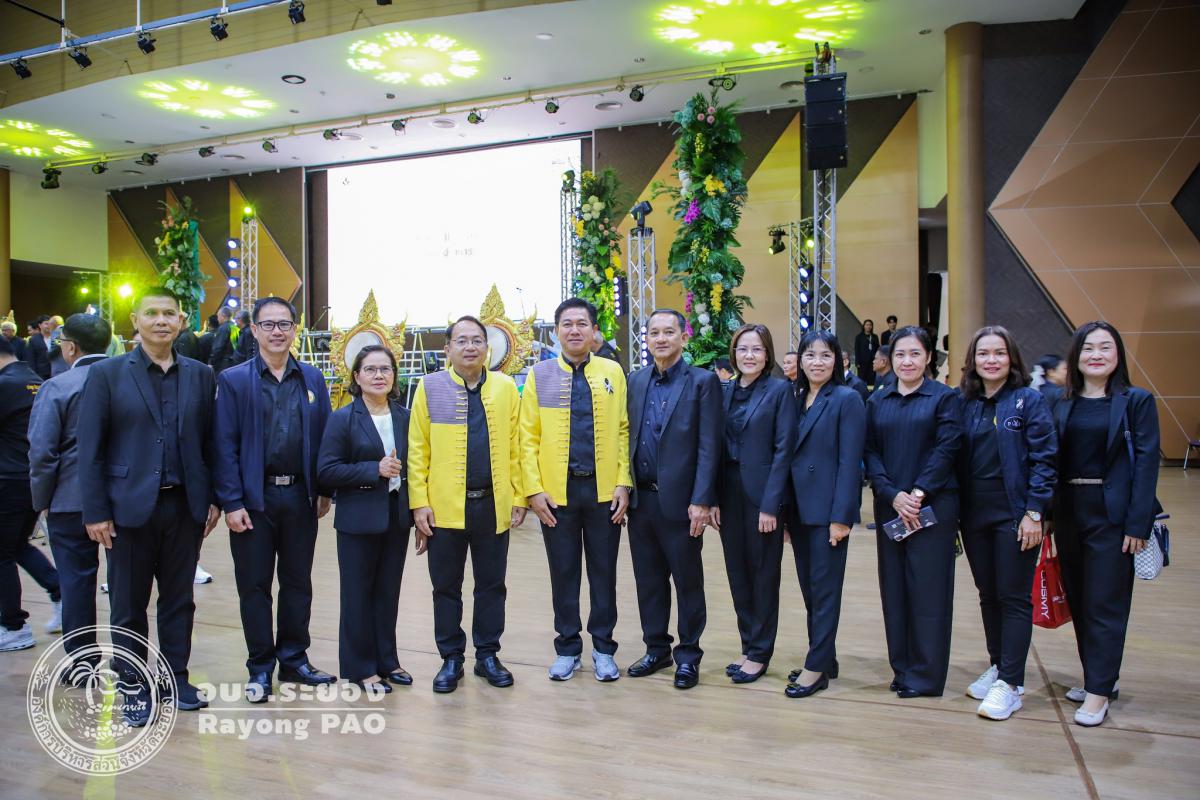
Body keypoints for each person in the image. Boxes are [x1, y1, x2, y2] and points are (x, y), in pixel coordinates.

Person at [78, 287, 219, 725]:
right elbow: (90, 449)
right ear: (135, 321)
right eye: (152, 313)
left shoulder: (201, 374)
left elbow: (210, 442)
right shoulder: (107, 374)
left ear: (181, 322)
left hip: (185, 507)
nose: (161, 321)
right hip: (127, 509)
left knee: (179, 600)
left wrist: (212, 498)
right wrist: (95, 510)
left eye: (169, 314)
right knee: (128, 605)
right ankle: (134, 687)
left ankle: (176, 678)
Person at [213, 296, 334, 702]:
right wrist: (232, 502)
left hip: (300, 496)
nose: (277, 331)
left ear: (295, 329)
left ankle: (294, 659)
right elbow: (223, 445)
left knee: (298, 583)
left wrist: (323, 489)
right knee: (255, 586)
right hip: (254, 500)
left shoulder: (312, 379)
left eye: (285, 324)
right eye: (268, 324)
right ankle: (260, 667)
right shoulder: (234, 380)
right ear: (254, 330)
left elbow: (325, 439)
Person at [409, 316, 524, 693]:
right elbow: (417, 449)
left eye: (477, 340)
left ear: (487, 348)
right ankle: (451, 657)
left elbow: (517, 446)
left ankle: (487, 654)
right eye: (462, 341)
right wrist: (419, 503)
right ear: (447, 349)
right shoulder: (429, 387)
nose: (470, 347)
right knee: (446, 586)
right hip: (443, 509)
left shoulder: (506, 388)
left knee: (492, 585)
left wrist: (519, 495)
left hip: (493, 505)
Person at [1052, 321, 1159, 728]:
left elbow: (1146, 463)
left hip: (1112, 514)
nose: (1096, 355)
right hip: (1069, 511)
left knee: (1105, 603)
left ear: (1118, 355)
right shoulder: (1062, 402)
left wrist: (1138, 523)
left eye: (1105, 347)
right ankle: (1098, 677)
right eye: (1088, 348)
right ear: (1076, 355)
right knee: (1080, 599)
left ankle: (1099, 692)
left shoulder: (1135, 400)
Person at [522, 299, 631, 682]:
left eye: (582, 323)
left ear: (594, 331)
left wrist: (623, 482)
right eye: (566, 324)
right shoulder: (540, 375)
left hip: (604, 495)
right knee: (563, 573)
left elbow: (623, 430)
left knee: (604, 574)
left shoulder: (612, 372)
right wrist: (534, 491)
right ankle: (567, 648)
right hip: (557, 496)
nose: (574, 330)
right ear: (556, 332)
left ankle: (603, 648)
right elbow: (527, 437)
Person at [957, 326, 1056, 720]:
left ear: (1012, 358)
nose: (991, 360)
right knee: (988, 593)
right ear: (973, 360)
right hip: (974, 515)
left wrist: (1035, 513)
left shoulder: (1028, 400)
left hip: (1015, 515)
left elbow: (1045, 460)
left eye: (999, 353)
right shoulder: (965, 402)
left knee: (1013, 597)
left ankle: (1011, 684)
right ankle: (999, 667)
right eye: (983, 353)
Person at [625, 309, 722, 689]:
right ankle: (656, 649)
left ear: (684, 337)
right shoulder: (635, 381)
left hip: (683, 504)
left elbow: (709, 446)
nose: (661, 339)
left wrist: (702, 500)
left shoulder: (702, 382)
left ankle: (689, 655)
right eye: (654, 333)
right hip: (641, 501)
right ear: (646, 339)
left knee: (687, 581)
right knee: (648, 581)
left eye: (669, 332)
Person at [865, 325, 962, 698]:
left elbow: (947, 448)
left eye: (915, 354)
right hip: (891, 507)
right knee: (894, 590)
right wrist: (893, 495)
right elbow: (869, 452)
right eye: (900, 354)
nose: (907, 361)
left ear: (928, 358)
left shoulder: (944, 398)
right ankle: (902, 667)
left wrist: (918, 493)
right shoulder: (878, 399)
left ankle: (926, 675)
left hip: (931, 508)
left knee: (929, 592)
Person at [318, 345, 413, 695]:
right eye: (370, 369)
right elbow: (326, 470)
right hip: (358, 518)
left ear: (394, 376)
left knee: (388, 592)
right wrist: (373, 469)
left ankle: (387, 660)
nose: (378, 375)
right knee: (357, 595)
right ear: (357, 377)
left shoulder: (404, 416)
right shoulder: (343, 418)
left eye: (385, 369)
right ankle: (359, 668)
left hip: (396, 516)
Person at [784, 331, 865, 698]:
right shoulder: (795, 397)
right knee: (811, 591)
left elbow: (851, 463)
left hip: (828, 512)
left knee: (825, 592)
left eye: (825, 355)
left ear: (838, 361)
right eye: (810, 355)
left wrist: (842, 517)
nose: (817, 362)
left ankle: (816, 667)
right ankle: (825, 657)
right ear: (800, 360)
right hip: (799, 510)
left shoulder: (847, 399)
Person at [27, 314, 111, 664]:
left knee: (76, 581)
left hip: (70, 497)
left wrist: (41, 500)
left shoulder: (58, 386)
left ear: (71, 347)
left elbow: (42, 452)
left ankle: (82, 660)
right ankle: (130, 659)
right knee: (126, 585)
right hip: (122, 497)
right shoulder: (127, 380)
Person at [714, 324, 793, 684]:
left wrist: (771, 505)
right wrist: (713, 498)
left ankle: (761, 652)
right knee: (738, 573)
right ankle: (748, 645)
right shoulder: (724, 390)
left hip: (763, 495)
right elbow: (714, 448)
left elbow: (784, 450)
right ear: (734, 353)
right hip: (729, 492)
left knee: (763, 575)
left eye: (757, 349)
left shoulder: (780, 391)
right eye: (743, 349)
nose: (749, 355)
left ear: (767, 354)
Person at [0, 336, 60, 652]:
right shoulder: (34, 379)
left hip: (8, 479)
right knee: (17, 545)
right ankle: (60, 591)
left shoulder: (4, 385)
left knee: (3, 553)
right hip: (32, 478)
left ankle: (14, 625)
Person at [209, 306, 237, 374]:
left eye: (218, 315)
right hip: (233, 362)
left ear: (223, 316)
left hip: (223, 364)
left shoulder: (223, 328)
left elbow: (218, 347)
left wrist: (211, 362)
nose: (217, 318)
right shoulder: (234, 327)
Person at [25, 314, 55, 379]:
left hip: (56, 373)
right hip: (41, 375)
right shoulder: (33, 340)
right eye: (46, 324)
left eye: (50, 324)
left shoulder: (56, 338)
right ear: (40, 325)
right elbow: (31, 360)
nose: (49, 326)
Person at [854, 319, 880, 387]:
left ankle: (871, 392)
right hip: (862, 363)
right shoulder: (859, 337)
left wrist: (877, 360)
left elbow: (878, 349)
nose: (868, 326)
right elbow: (856, 350)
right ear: (864, 326)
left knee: (872, 379)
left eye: (870, 325)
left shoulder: (875, 337)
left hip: (872, 362)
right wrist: (857, 362)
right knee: (861, 380)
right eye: (867, 325)